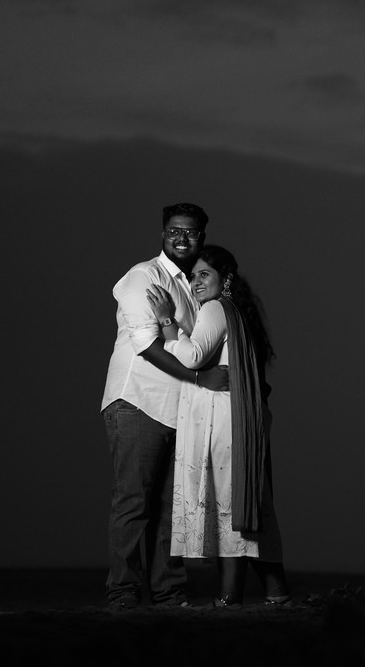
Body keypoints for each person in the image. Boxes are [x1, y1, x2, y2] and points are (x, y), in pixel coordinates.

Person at [100, 202, 229, 611]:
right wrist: (198, 378)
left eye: (190, 232)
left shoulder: (197, 285)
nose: (181, 238)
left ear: (201, 237)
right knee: (134, 501)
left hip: (181, 412)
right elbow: (146, 346)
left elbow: (194, 346)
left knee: (174, 509)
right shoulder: (144, 277)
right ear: (162, 233)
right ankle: (122, 592)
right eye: (174, 230)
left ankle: (169, 592)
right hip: (139, 401)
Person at [147, 244, 291, 607]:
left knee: (229, 504)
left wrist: (168, 324)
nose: (196, 282)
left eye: (204, 275)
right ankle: (276, 593)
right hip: (240, 416)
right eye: (193, 276)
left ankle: (229, 597)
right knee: (249, 504)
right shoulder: (240, 313)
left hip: (222, 419)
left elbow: (195, 356)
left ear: (225, 279)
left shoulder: (215, 309)